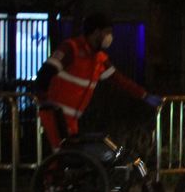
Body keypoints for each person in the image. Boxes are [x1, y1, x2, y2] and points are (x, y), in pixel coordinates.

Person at [33, 13, 161, 150]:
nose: (110, 37)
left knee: (68, 157)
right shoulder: (72, 49)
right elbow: (45, 73)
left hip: (70, 121)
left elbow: (120, 80)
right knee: (60, 157)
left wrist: (144, 95)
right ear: (96, 32)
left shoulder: (99, 59)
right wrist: (44, 102)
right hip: (54, 117)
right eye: (107, 32)